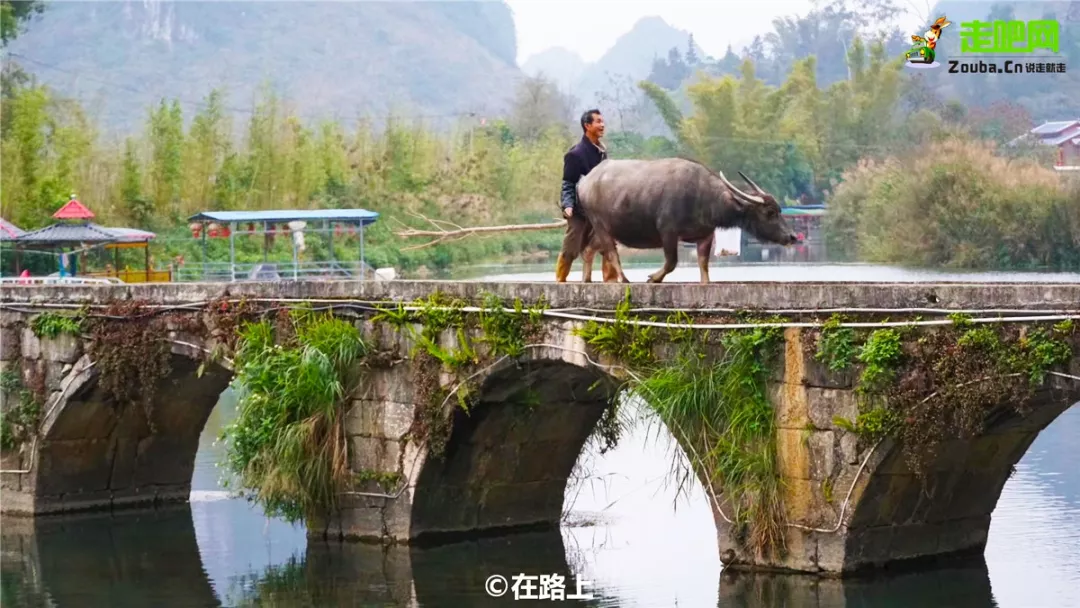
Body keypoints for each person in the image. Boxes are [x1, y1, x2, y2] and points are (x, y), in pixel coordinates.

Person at [555, 108, 607, 282]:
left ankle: (612, 284)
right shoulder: (575, 154)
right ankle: (560, 282)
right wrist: (568, 205)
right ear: (587, 126)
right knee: (571, 247)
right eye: (598, 121)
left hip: (598, 211)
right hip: (579, 210)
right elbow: (568, 183)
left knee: (608, 245)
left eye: (602, 121)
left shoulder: (602, 153)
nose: (602, 125)